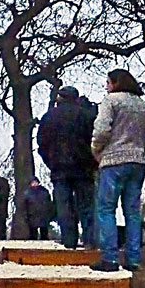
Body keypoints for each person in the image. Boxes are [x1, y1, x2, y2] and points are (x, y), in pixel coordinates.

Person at [91, 68, 145, 272]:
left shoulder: (110, 101)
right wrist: (138, 148)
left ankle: (110, 258)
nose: (106, 86)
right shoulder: (143, 106)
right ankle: (133, 259)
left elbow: (102, 130)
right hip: (137, 162)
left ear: (115, 83)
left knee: (106, 208)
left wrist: (96, 149)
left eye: (108, 82)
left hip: (112, 161)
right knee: (132, 211)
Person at [37, 85, 98, 249]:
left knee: (64, 207)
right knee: (87, 206)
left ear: (60, 98)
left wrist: (50, 162)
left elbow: (41, 144)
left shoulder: (48, 117)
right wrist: (93, 162)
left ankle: (69, 241)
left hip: (59, 169)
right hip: (84, 168)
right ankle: (90, 241)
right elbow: (96, 140)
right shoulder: (86, 116)